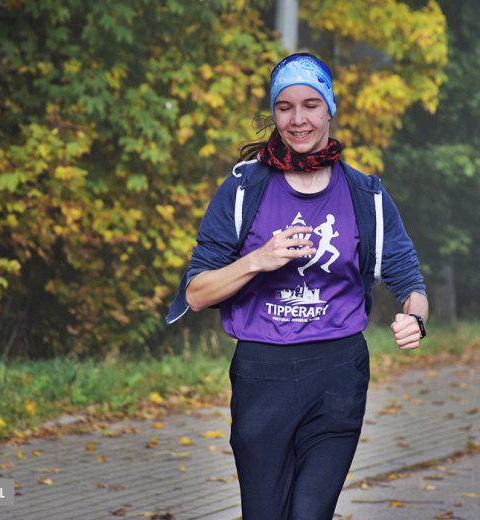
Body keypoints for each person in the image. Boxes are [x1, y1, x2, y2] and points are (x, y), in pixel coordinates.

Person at [166, 53, 428, 520]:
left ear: (329, 109)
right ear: (274, 114)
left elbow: (409, 280)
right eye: (285, 107)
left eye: (310, 104)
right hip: (261, 374)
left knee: (310, 513)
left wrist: (416, 319)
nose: (298, 118)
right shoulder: (243, 189)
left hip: (338, 373)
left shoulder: (366, 194)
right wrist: (258, 260)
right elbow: (197, 293)